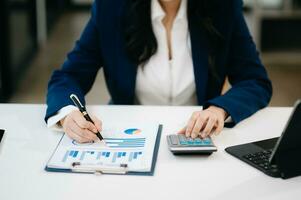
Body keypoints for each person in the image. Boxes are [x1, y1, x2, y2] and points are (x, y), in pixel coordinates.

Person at [45, 0, 272, 143]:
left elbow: (255, 80)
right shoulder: (111, 7)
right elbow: (69, 76)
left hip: (198, 140)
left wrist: (219, 109)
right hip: (130, 136)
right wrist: (68, 113)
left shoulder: (223, 6)